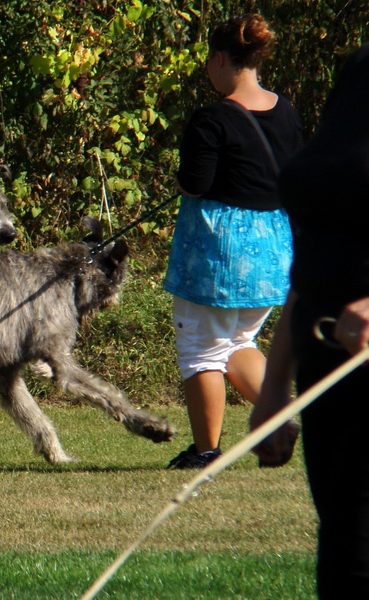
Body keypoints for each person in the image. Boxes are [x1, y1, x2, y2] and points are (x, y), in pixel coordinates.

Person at [250, 42, 369, 598]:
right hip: (329, 378)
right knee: (345, 558)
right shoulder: (359, 72)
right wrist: (274, 388)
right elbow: (311, 263)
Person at [163, 14, 303, 469]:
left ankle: (206, 452)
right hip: (272, 249)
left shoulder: (212, 118)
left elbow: (195, 183)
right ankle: (281, 418)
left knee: (201, 348)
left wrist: (181, 179)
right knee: (239, 340)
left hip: (218, 251)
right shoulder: (287, 112)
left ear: (220, 59)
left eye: (209, 61)